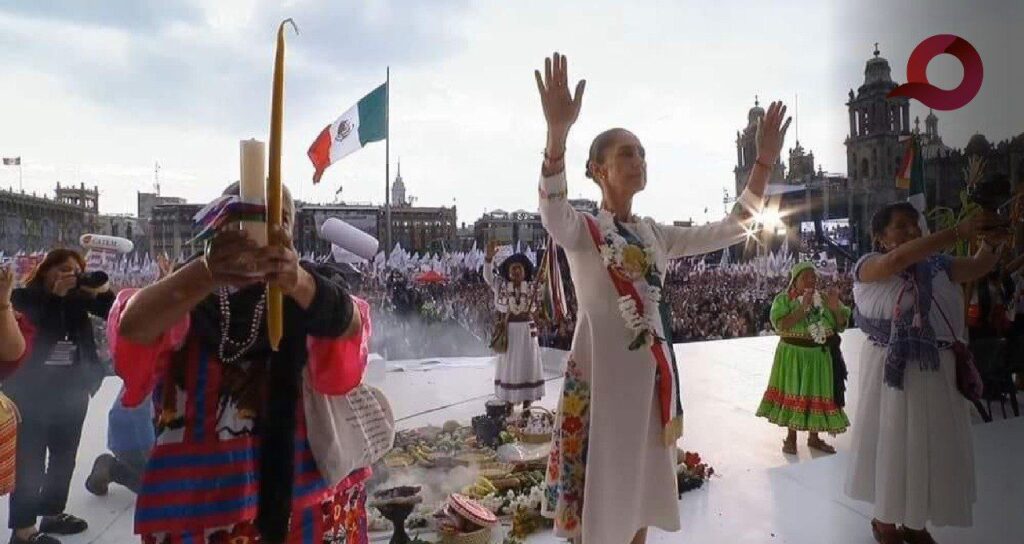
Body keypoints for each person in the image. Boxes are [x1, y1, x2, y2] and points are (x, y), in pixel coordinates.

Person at [534, 52, 790, 544]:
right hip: (601, 384)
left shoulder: (656, 235)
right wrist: (557, 134)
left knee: (642, 500)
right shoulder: (583, 230)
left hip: (651, 386)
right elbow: (551, 208)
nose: (638, 160)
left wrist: (763, 162)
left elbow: (734, 227)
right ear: (596, 169)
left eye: (642, 152)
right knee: (599, 500)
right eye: (626, 153)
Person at [111, 183, 371, 544]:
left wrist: (296, 281)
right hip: (202, 501)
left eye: (278, 218)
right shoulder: (191, 287)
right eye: (251, 216)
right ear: (225, 224)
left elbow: (350, 330)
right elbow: (133, 328)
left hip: (303, 494)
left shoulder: (312, 287)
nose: (265, 228)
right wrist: (208, 272)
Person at [845, 202, 1006, 544]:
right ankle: (885, 522)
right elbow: (896, 261)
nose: (913, 231)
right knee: (891, 443)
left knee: (927, 445)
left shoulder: (938, 265)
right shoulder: (869, 265)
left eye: (916, 225)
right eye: (902, 226)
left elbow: (978, 266)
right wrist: (957, 232)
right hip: (892, 375)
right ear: (880, 236)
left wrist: (990, 243)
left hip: (936, 370)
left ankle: (916, 523)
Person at [3, 250, 115, 544]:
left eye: (75, 270)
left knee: (64, 458)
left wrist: (99, 290)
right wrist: (56, 296)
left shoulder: (77, 299)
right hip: (32, 392)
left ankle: (53, 513)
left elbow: (114, 312)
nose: (70, 275)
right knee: (30, 462)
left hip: (73, 390)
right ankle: (24, 529)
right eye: (63, 269)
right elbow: (40, 337)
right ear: (46, 270)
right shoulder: (24, 298)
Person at [756, 262, 851, 454]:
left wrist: (835, 308)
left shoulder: (824, 299)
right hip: (793, 357)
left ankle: (814, 438)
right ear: (795, 280)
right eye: (806, 277)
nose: (812, 280)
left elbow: (840, 325)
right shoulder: (784, 299)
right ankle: (790, 438)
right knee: (795, 391)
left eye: (814, 277)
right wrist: (802, 309)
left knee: (816, 392)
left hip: (820, 357)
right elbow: (781, 325)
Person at [483, 242, 545, 411]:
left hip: (527, 332)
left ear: (525, 271)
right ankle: (509, 402)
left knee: (528, 365)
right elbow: (488, 277)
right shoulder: (501, 286)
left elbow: (542, 304)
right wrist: (489, 258)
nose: (516, 271)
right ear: (508, 272)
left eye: (519, 267)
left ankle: (527, 404)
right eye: (512, 268)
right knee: (509, 366)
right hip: (509, 331)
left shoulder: (533, 287)